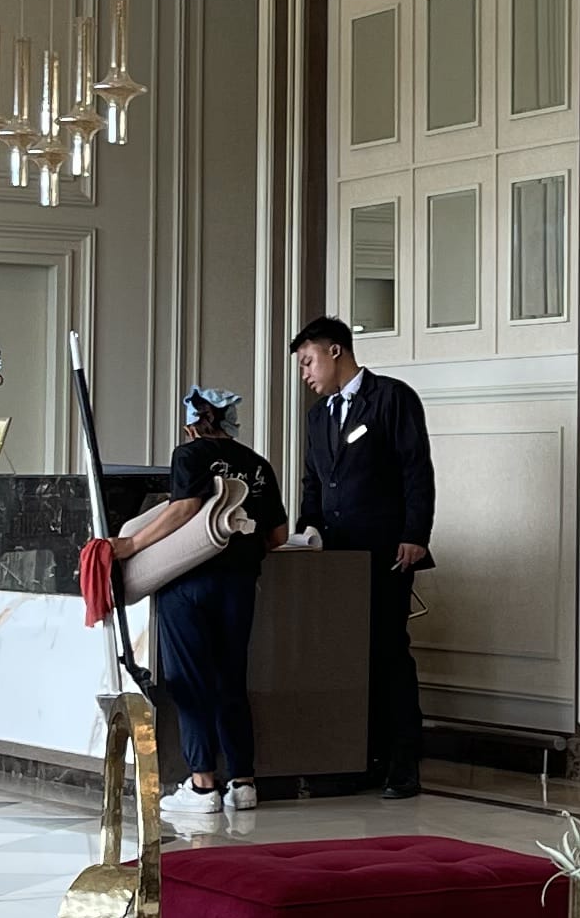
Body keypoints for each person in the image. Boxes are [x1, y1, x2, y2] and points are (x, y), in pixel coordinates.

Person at [126, 386, 283, 831]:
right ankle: (243, 783)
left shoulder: (189, 455)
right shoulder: (258, 464)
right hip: (240, 585)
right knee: (231, 678)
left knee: (191, 681)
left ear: (193, 424)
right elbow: (276, 535)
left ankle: (202, 786)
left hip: (189, 582)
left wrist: (132, 543)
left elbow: (184, 509)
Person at [290, 315, 432, 798]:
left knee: (389, 652)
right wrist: (307, 532)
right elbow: (313, 483)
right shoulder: (317, 417)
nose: (305, 374)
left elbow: (416, 471)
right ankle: (359, 758)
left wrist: (415, 535)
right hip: (335, 559)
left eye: (308, 361)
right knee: (347, 658)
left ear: (335, 351)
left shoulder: (392, 398)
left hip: (386, 552)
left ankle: (403, 764)